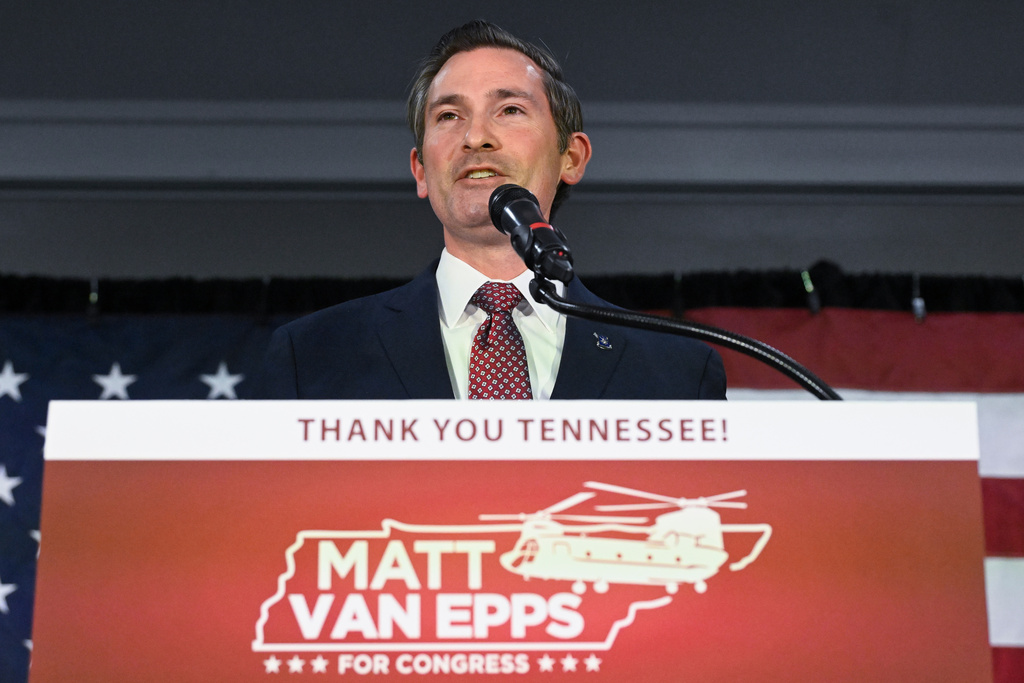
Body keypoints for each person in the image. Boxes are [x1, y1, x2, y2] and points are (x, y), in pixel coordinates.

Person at [253, 20, 726, 400]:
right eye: (449, 116)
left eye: (510, 110)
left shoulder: (679, 372)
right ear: (420, 170)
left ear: (572, 157)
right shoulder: (310, 356)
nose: (476, 136)